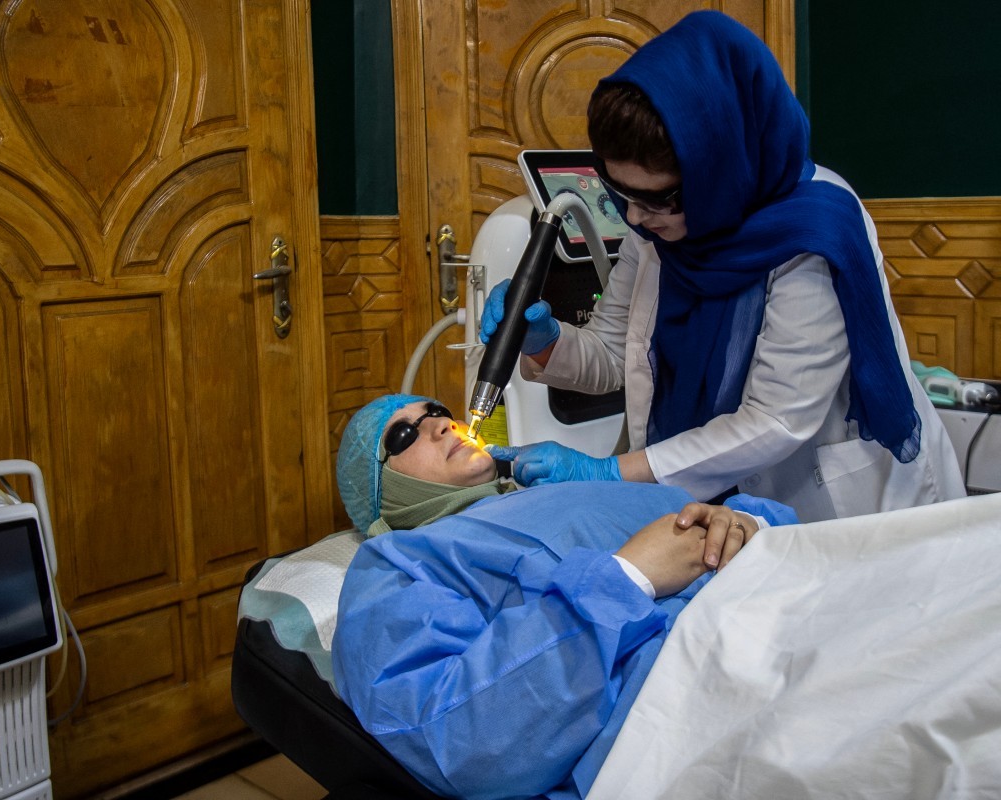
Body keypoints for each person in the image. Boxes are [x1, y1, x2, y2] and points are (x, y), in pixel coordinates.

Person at [479, 11, 963, 523]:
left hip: (836, 510)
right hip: (714, 509)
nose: (636, 219)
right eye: (620, 194)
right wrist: (543, 341)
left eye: (657, 198)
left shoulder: (816, 232)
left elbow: (776, 419)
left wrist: (609, 473)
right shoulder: (659, 231)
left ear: (718, 167)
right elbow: (616, 355)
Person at [331, 393, 797, 800]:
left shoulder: (568, 488)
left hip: (791, 594)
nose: (439, 423)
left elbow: (760, 520)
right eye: (403, 435)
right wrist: (627, 577)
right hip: (715, 700)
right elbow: (456, 734)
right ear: (380, 490)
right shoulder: (396, 564)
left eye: (436, 411)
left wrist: (746, 525)